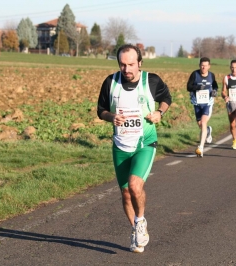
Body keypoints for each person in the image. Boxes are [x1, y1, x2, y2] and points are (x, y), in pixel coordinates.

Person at [97, 44, 172, 253]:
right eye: (122, 64)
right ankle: (135, 229)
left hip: (144, 143)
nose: (127, 69)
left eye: (131, 64)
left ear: (139, 63)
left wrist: (159, 113)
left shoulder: (152, 81)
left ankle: (140, 221)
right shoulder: (110, 82)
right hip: (120, 145)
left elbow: (166, 99)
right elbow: (100, 110)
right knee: (125, 193)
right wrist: (111, 117)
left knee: (134, 186)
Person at [187, 57, 218, 157]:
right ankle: (208, 130)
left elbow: (215, 86)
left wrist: (214, 92)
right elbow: (188, 87)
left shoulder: (211, 75)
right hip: (197, 103)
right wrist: (198, 87)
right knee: (201, 125)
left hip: (207, 103)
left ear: (209, 66)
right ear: (199, 65)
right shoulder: (194, 74)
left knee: (203, 122)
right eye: (202, 65)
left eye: (205, 66)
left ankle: (201, 147)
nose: (203, 67)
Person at [221, 59, 236, 149]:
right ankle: (234, 140)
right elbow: (223, 91)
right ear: (230, 68)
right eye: (232, 68)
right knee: (232, 124)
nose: (234, 70)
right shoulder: (226, 78)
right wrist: (225, 96)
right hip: (230, 103)